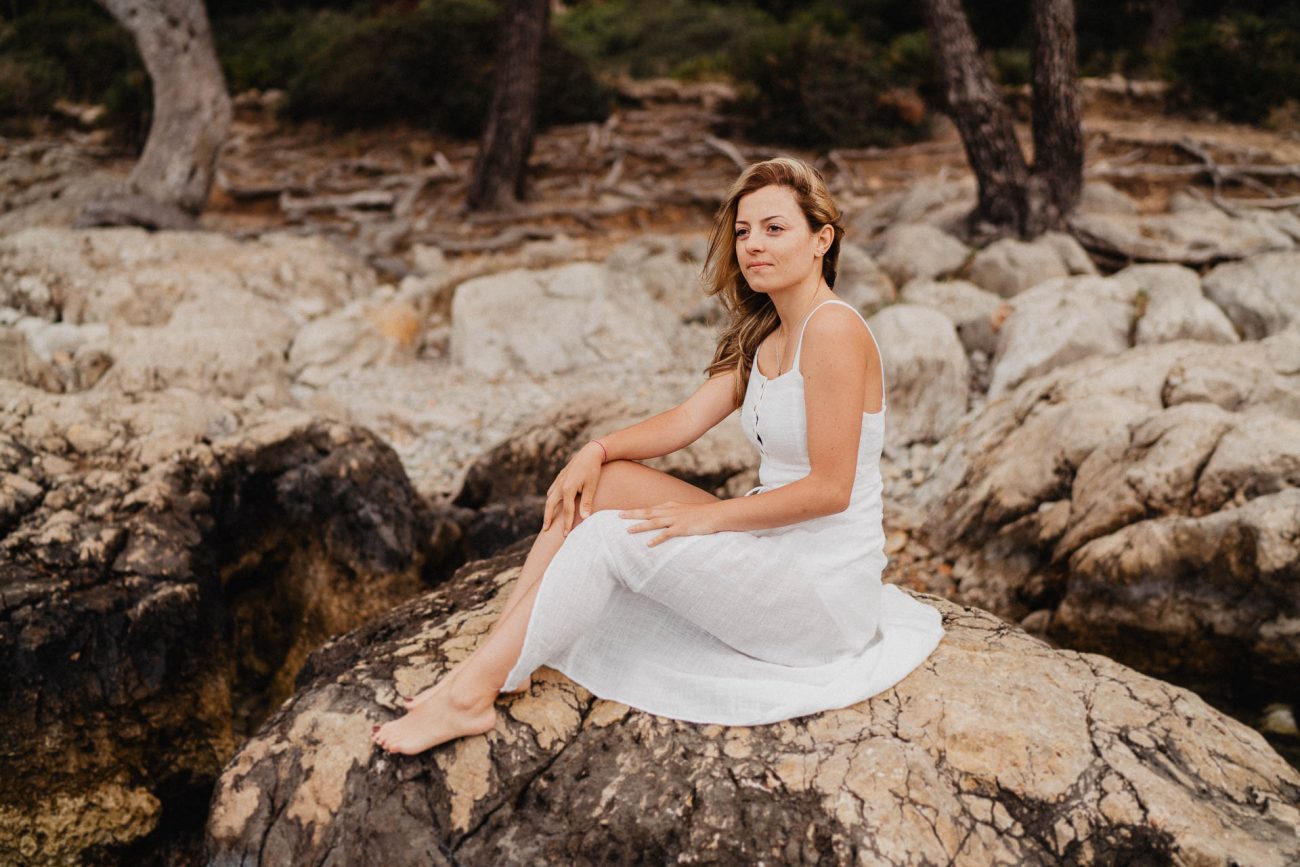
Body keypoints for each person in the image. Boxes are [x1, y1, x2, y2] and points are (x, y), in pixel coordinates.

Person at [372, 157, 946, 755]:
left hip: (821, 596)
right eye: (743, 231)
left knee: (608, 538)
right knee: (601, 485)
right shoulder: (766, 334)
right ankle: (496, 660)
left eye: (775, 228)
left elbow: (830, 490)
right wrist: (594, 450)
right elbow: (685, 421)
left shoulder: (834, 330)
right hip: (772, 547)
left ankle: (468, 698)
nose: (753, 244)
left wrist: (707, 518)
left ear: (821, 239)